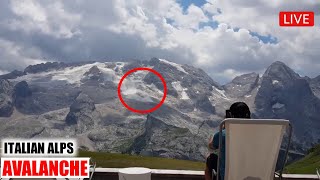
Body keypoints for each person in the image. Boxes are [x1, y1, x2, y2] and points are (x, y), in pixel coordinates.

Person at [205, 102, 251, 180]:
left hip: (227, 177)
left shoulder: (223, 134)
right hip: (254, 176)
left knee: (210, 159)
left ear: (230, 116)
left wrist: (225, 128)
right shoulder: (259, 134)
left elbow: (211, 147)